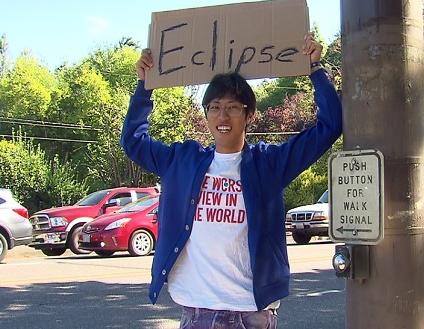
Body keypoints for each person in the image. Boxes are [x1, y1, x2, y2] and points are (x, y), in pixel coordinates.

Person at [121, 33, 342, 328]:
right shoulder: (182, 161)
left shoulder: (269, 164)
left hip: (251, 311)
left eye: (233, 107)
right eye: (214, 107)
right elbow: (134, 141)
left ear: (249, 115)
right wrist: (144, 87)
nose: (222, 115)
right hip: (197, 309)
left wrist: (316, 70)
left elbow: (330, 126)